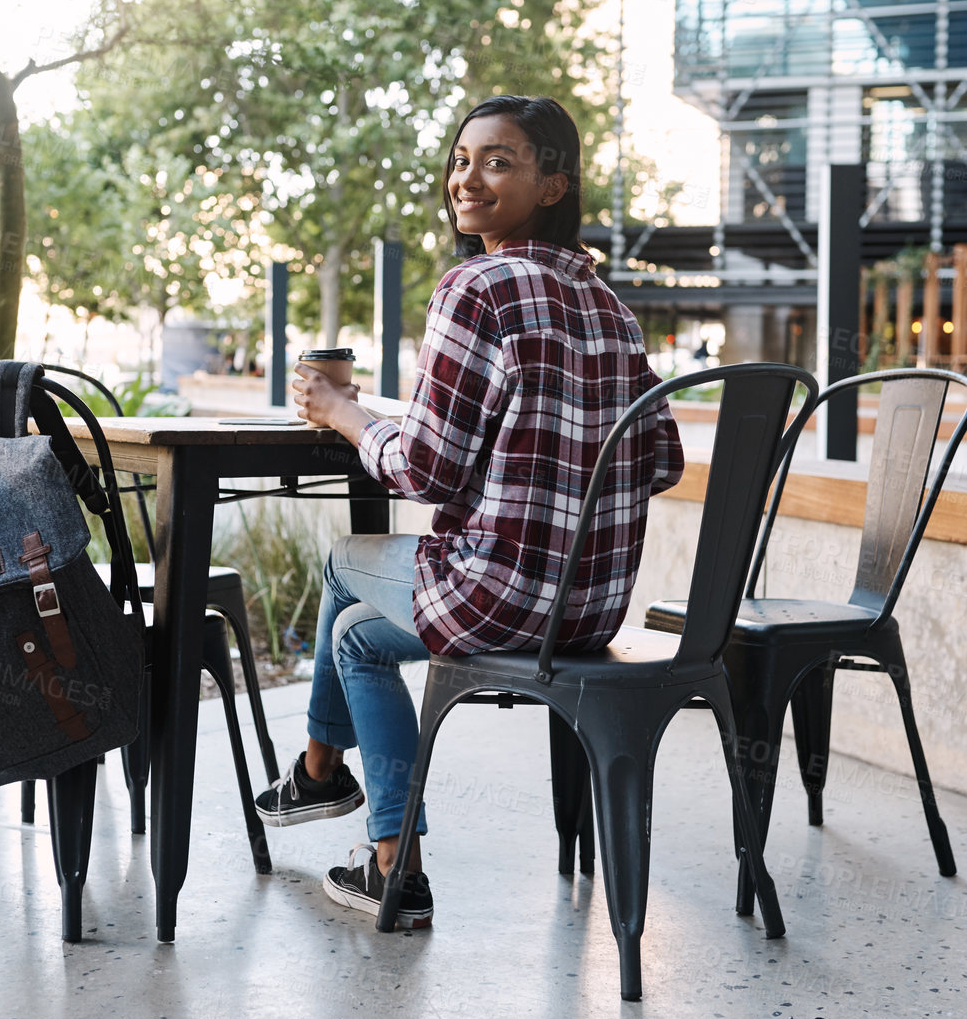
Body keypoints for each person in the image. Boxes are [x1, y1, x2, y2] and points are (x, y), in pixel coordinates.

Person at [253, 95, 684, 928]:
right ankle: (377, 852)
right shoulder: (612, 308)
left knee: (347, 558)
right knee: (354, 638)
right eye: (460, 159)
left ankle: (326, 783)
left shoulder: (476, 287)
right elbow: (659, 460)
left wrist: (345, 415)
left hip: (498, 599)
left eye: (498, 160)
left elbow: (422, 468)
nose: (467, 177)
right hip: (588, 611)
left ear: (553, 184)